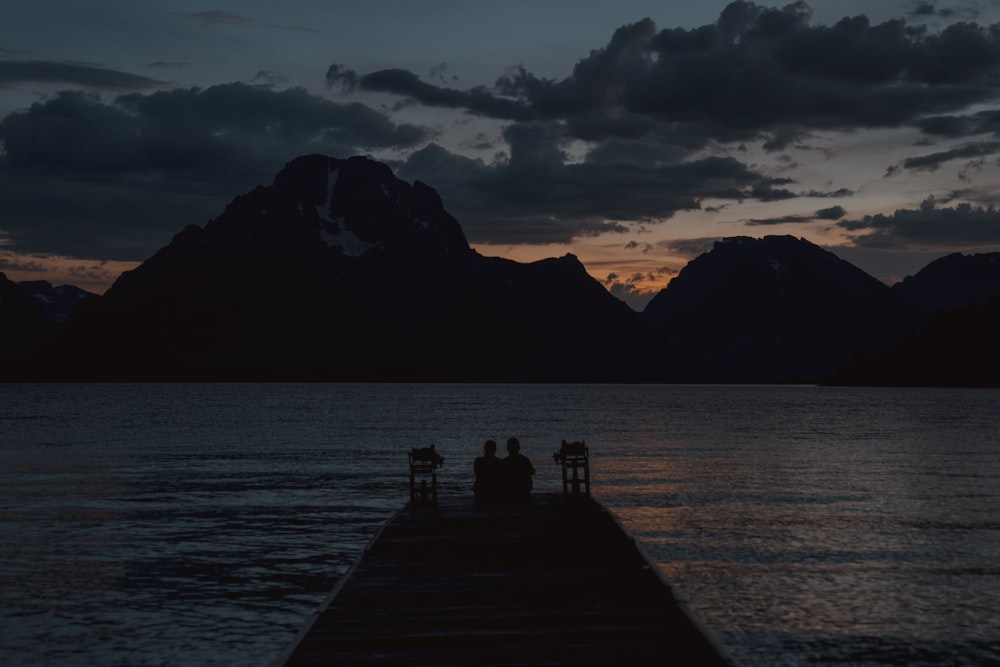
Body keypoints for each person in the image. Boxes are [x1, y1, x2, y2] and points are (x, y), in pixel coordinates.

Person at [502, 437, 535, 504]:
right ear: (518, 448)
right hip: (523, 490)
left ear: (507, 448)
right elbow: (532, 471)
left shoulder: (504, 462)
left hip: (509, 490)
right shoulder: (524, 460)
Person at [473, 440, 503, 506]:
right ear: (495, 450)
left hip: (481, 490)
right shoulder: (498, 461)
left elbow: (478, 475)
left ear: (485, 449)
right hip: (494, 490)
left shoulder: (478, 461)